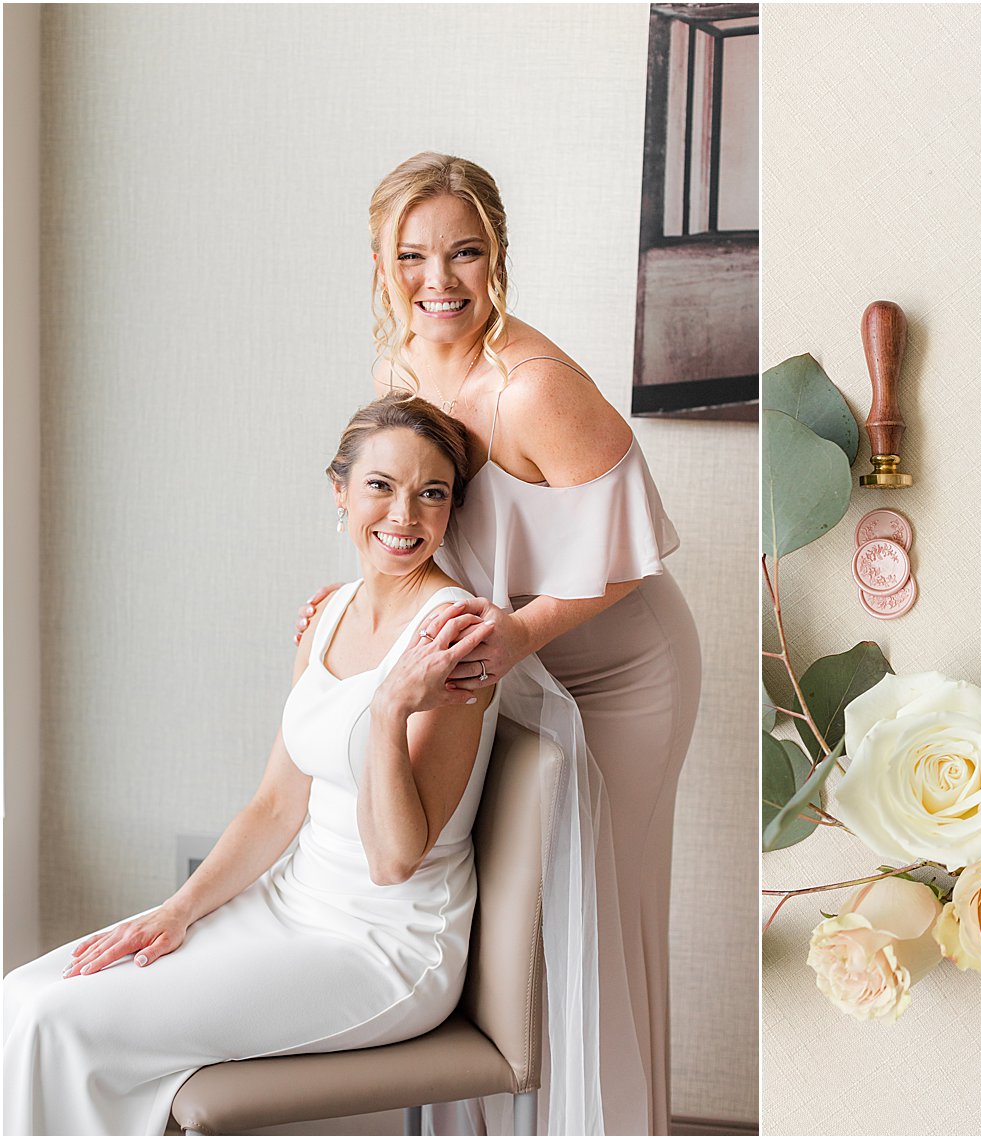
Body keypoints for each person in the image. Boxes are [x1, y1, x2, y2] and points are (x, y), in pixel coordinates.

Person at [295, 151, 702, 1135]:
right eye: (414, 256)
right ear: (382, 262)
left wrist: (517, 632)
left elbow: (631, 556)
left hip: (614, 670)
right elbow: (411, 510)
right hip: (500, 661)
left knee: (596, 923)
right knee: (499, 922)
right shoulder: (400, 360)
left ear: (498, 256)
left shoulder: (530, 388)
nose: (439, 283)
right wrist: (359, 599)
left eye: (465, 253)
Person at [3, 395, 500, 1136]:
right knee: (24, 994)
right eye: (381, 485)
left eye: (432, 492)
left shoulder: (456, 636)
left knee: (60, 1021)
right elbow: (275, 805)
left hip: (386, 945)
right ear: (339, 491)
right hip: (287, 902)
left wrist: (394, 707)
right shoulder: (330, 612)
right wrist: (177, 911)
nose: (405, 514)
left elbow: (396, 861)